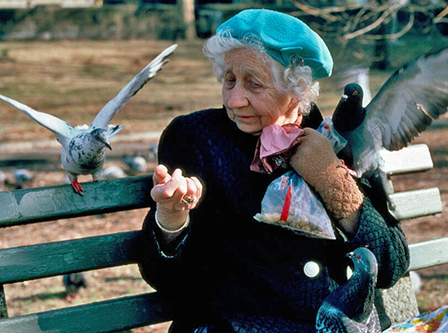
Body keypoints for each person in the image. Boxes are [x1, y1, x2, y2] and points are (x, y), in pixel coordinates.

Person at [138, 9, 409, 332]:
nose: (235, 100)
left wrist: (332, 180)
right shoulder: (196, 137)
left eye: (253, 84)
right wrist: (170, 219)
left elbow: (392, 263)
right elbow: (167, 279)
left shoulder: (338, 139)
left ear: (297, 90)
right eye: (229, 80)